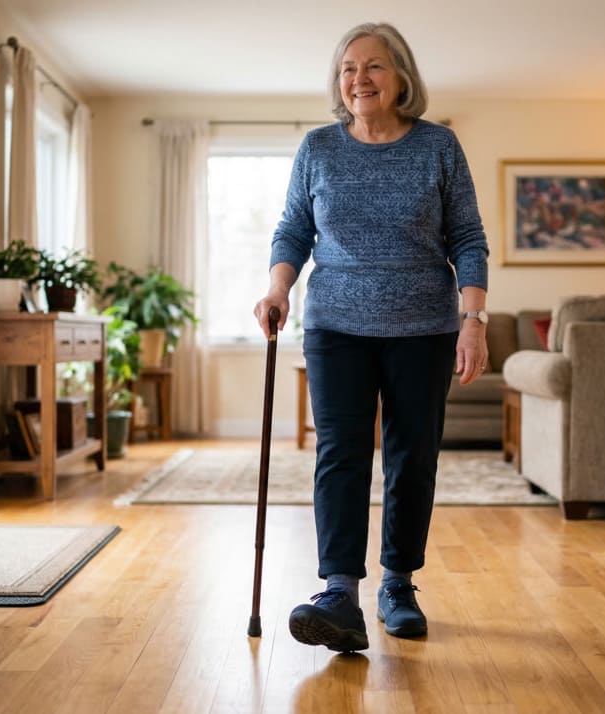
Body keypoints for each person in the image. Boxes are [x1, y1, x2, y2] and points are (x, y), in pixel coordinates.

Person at [253, 21, 490, 653]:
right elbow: (293, 229)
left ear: (401, 76)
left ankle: (398, 586)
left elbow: (468, 237)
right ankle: (339, 594)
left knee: (413, 455)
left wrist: (473, 319)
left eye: (374, 65)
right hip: (335, 325)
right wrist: (277, 288)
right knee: (341, 453)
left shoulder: (438, 146)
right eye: (348, 68)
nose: (359, 78)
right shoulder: (318, 148)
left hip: (424, 327)